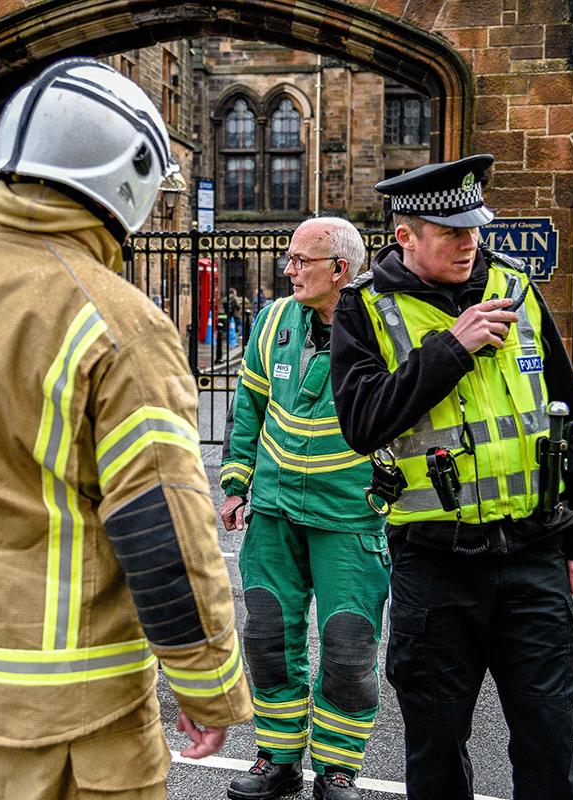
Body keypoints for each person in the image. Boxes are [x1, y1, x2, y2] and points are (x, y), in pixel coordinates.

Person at [0, 57, 251, 799]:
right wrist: (209, 683)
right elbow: (162, 525)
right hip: (68, 703)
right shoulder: (119, 320)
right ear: (126, 179)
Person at [330, 154, 573, 800]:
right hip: (435, 564)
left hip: (532, 554)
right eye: (451, 232)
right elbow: (364, 422)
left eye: (474, 228)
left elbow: (568, 414)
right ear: (406, 236)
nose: (469, 242)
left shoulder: (514, 288)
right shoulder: (364, 309)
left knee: (549, 740)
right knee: (435, 749)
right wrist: (451, 348)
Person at [219, 218, 389, 800]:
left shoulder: (380, 326)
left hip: (350, 516)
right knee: (267, 638)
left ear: (340, 270)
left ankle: (338, 768)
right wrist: (238, 484)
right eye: (289, 259)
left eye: (300, 260)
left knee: (347, 647)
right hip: (273, 512)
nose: (287, 270)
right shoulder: (271, 323)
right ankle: (278, 758)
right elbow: (249, 408)